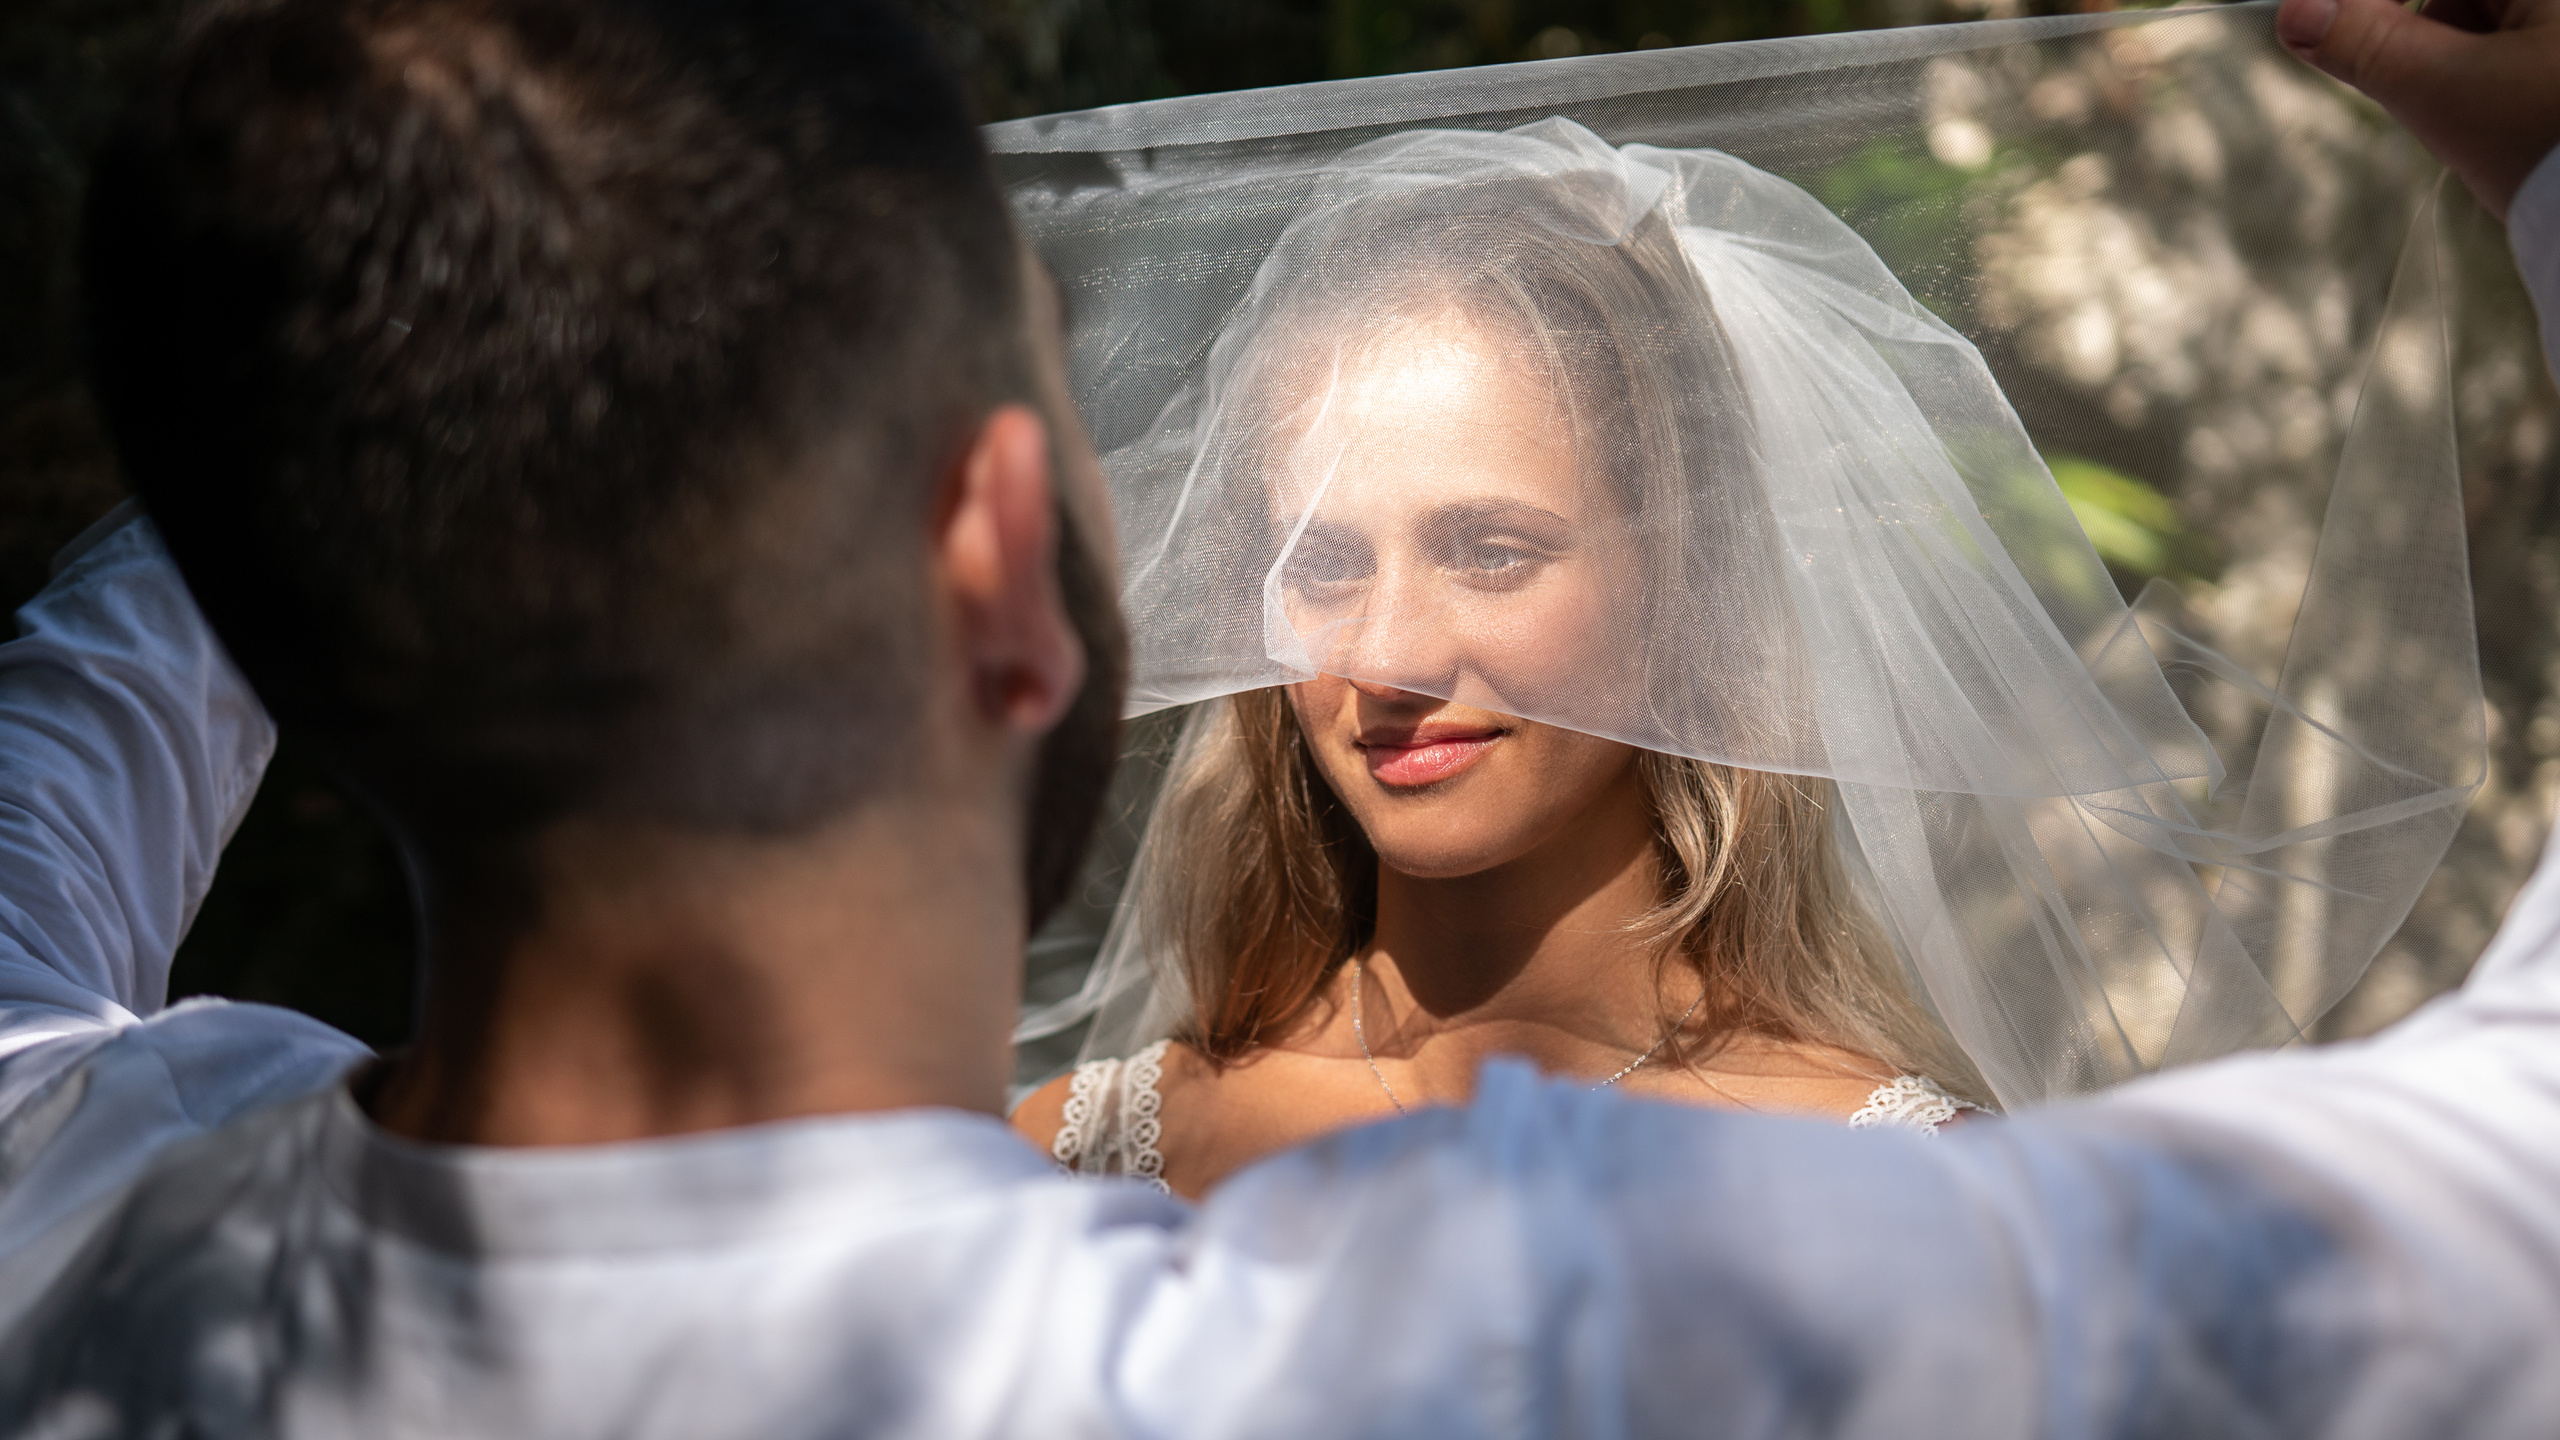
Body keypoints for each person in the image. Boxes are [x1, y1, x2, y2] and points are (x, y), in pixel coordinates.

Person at [5, 0, 2560, 1434]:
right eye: (1300, 543)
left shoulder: (89, 1200)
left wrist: (366, 399)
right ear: (1008, 568)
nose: (1355, 641)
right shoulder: (1456, 1351)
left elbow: (57, 794)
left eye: (1486, 546)